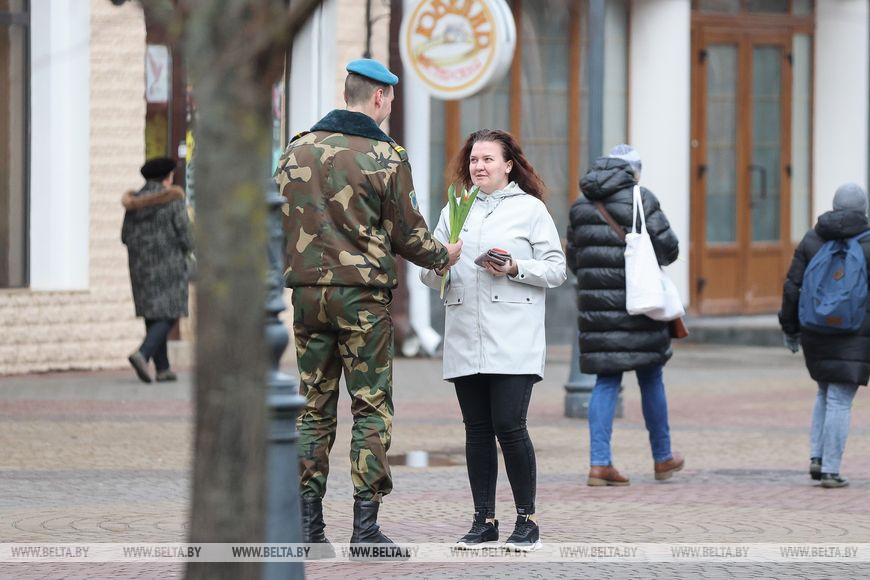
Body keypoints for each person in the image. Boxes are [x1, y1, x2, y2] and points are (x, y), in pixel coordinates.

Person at [274, 58, 462, 552]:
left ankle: (309, 529)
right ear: (378, 97)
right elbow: (409, 235)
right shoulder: (386, 156)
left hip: (308, 295)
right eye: (391, 97)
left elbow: (276, 222)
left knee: (312, 407)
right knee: (371, 406)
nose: (391, 105)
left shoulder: (297, 149)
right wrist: (445, 255)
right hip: (362, 299)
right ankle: (365, 529)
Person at [421, 129, 566, 552]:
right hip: (466, 333)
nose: (478, 166)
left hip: (513, 337)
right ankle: (483, 520)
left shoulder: (530, 210)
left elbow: (557, 269)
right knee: (477, 431)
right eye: (473, 160)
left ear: (508, 165)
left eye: (487, 159)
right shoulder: (454, 210)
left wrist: (516, 266)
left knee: (509, 426)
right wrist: (439, 261)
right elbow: (427, 274)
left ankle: (528, 520)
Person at [566, 144, 683, 487]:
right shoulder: (640, 198)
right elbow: (669, 248)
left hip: (598, 310)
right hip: (642, 304)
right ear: (632, 171)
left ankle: (599, 463)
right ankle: (663, 458)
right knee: (651, 378)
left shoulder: (580, 206)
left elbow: (575, 259)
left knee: (605, 382)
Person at [779, 182, 870, 488]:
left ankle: (817, 458)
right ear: (863, 209)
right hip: (855, 333)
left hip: (815, 330)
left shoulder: (812, 238)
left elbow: (792, 287)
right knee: (840, 400)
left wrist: (790, 329)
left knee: (824, 392)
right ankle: (831, 469)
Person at [121, 157, 193, 384]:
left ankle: (163, 368)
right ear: (167, 177)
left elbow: (125, 237)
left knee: (154, 315)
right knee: (170, 313)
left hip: (141, 268)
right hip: (169, 267)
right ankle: (142, 353)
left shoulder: (134, 203)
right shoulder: (173, 199)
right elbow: (187, 236)